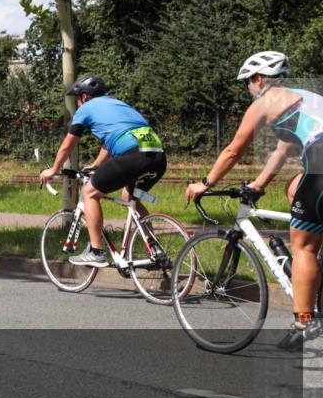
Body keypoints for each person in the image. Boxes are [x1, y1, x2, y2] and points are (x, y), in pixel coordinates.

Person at [185, 51, 323, 349]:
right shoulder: (303, 98)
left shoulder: (264, 102)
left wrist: (206, 183)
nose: (248, 90)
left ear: (259, 79)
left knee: (304, 247)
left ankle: (303, 322)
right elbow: (283, 149)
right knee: (294, 188)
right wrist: (259, 184)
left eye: (247, 83)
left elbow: (233, 151)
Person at [38, 75, 167, 267]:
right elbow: (111, 141)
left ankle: (96, 251)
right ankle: (155, 249)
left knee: (89, 192)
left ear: (85, 97)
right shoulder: (118, 105)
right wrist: (96, 165)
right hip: (157, 156)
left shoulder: (86, 109)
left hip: (133, 156)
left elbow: (68, 144)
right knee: (130, 196)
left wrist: (54, 169)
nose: (78, 105)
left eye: (78, 100)